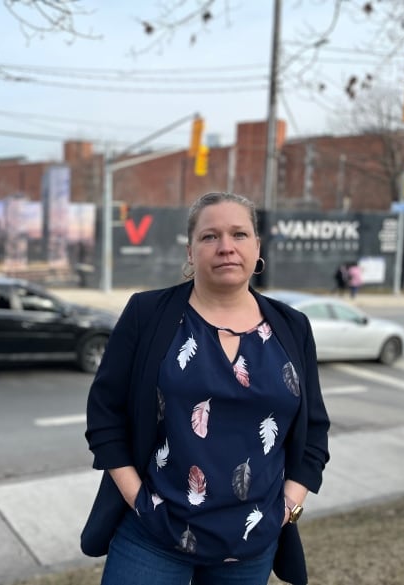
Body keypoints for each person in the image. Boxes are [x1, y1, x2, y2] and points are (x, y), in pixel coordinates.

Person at [81, 192, 330, 585]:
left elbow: (312, 429)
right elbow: (105, 415)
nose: (226, 247)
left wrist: (288, 508)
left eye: (239, 234)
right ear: (191, 250)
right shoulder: (148, 314)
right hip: (153, 537)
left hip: (252, 543)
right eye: (210, 236)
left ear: (257, 247)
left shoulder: (292, 326)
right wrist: (139, 502)